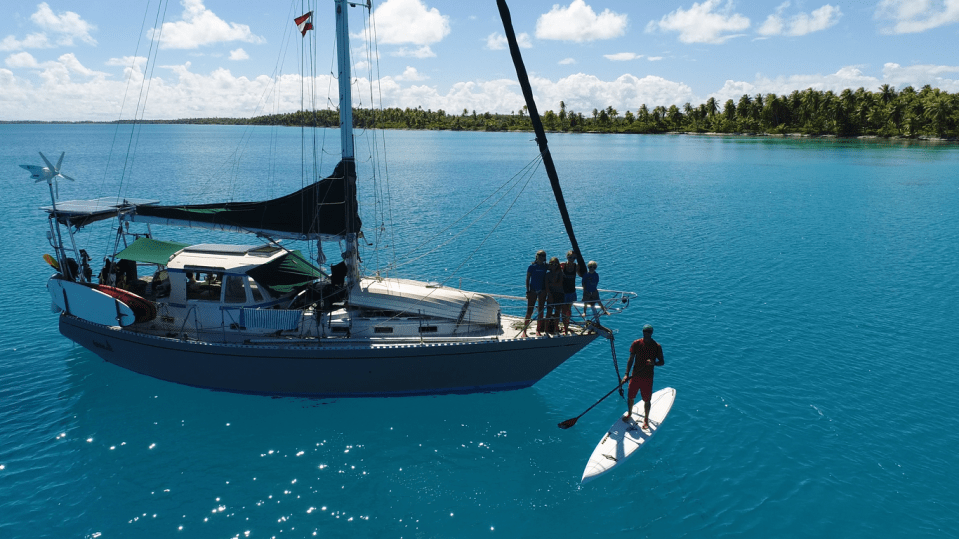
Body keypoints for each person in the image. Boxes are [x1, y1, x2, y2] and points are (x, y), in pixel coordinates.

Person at [622, 324, 664, 429]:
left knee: (647, 400)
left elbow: (662, 362)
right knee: (630, 397)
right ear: (643, 332)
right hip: (635, 376)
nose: (646, 334)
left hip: (647, 378)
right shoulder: (636, 343)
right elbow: (631, 359)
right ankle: (630, 413)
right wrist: (626, 374)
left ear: (651, 333)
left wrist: (654, 363)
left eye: (649, 332)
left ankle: (646, 419)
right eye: (645, 331)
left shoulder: (656, 346)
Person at [523, 250, 548, 336]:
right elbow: (527, 279)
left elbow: (556, 267)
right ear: (536, 256)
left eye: (543, 255)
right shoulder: (531, 267)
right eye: (539, 255)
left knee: (541, 311)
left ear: (545, 257)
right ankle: (524, 331)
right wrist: (527, 291)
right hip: (533, 291)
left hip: (542, 291)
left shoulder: (546, 267)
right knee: (529, 310)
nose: (541, 257)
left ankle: (538, 330)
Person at [560, 250, 581, 334]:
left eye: (574, 258)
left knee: (568, 310)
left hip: (572, 292)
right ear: (567, 257)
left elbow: (581, 274)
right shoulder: (563, 265)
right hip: (564, 292)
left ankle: (566, 326)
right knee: (563, 310)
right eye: (570, 257)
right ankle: (564, 327)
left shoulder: (576, 266)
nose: (572, 259)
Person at [545, 256, 564, 334]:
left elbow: (560, 283)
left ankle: (556, 328)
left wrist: (551, 284)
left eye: (555, 264)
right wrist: (549, 294)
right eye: (551, 264)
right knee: (549, 312)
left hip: (559, 294)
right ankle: (546, 329)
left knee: (557, 312)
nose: (553, 266)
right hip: (551, 294)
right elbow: (546, 286)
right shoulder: (547, 274)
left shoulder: (560, 273)